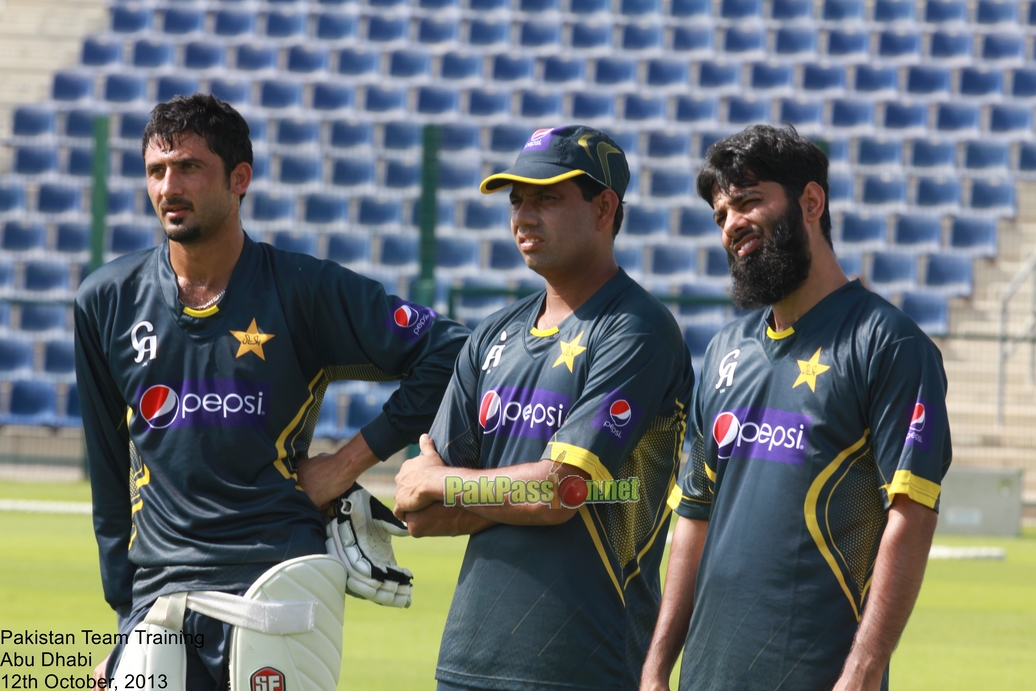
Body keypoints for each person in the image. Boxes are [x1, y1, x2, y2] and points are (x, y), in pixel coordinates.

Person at [74, 94, 468, 689]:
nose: (168, 187)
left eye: (189, 167)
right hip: (158, 597)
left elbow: (449, 348)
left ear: (240, 179)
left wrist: (346, 463)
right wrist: (124, 623)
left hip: (277, 582)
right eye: (157, 170)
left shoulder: (303, 289)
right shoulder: (104, 300)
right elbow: (108, 478)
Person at [640, 125, 952, 691]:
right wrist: (658, 667)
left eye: (749, 201)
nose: (731, 223)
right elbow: (693, 515)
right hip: (706, 677)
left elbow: (912, 516)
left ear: (811, 201)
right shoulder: (723, 352)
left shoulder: (889, 344)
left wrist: (860, 675)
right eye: (721, 214)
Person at [393, 125, 696, 691]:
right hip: (467, 663)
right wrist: (516, 490)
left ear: (605, 208)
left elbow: (560, 491)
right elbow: (421, 511)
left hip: (584, 667)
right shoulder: (491, 337)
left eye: (547, 198)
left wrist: (452, 481)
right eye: (517, 200)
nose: (523, 217)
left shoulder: (637, 330)